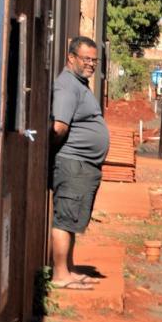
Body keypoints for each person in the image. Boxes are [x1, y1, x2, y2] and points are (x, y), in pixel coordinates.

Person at [50, 37, 110, 290]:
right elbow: (59, 127)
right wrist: (53, 153)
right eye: (86, 59)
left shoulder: (78, 84)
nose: (91, 64)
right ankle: (60, 275)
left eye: (95, 60)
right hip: (73, 163)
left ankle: (69, 269)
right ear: (71, 57)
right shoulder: (67, 86)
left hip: (82, 164)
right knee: (65, 219)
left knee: (71, 218)